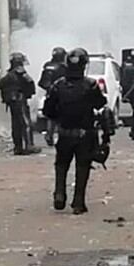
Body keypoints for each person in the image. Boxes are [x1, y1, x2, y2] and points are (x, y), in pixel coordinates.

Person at [42, 48, 107, 214]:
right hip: (85, 134)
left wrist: (57, 121)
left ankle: (59, 194)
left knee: (61, 165)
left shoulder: (58, 86)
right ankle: (78, 202)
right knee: (82, 167)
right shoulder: (91, 85)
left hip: (64, 133)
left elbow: (48, 111)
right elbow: (100, 104)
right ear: (84, 65)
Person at [0, 52, 37, 155]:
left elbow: (2, 86)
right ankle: (29, 146)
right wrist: (28, 93)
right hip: (20, 100)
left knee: (16, 125)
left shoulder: (8, 75)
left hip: (11, 103)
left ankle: (18, 147)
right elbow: (30, 84)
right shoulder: (21, 72)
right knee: (26, 123)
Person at [38, 47, 67, 146]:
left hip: (49, 94)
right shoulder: (63, 67)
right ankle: (61, 137)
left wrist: (48, 89)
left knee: (51, 116)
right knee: (62, 116)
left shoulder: (47, 65)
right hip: (61, 94)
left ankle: (49, 135)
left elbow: (42, 82)